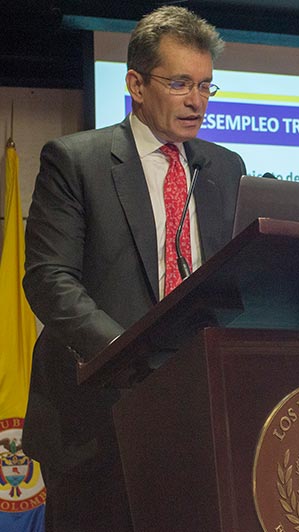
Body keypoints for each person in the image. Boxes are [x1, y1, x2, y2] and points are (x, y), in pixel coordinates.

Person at [22, 6, 245, 531]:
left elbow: (228, 282)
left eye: (206, 86)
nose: (196, 101)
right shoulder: (76, 161)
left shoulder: (223, 167)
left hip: (193, 415)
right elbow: (50, 279)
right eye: (180, 83)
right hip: (95, 419)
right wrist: (128, 353)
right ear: (136, 85)